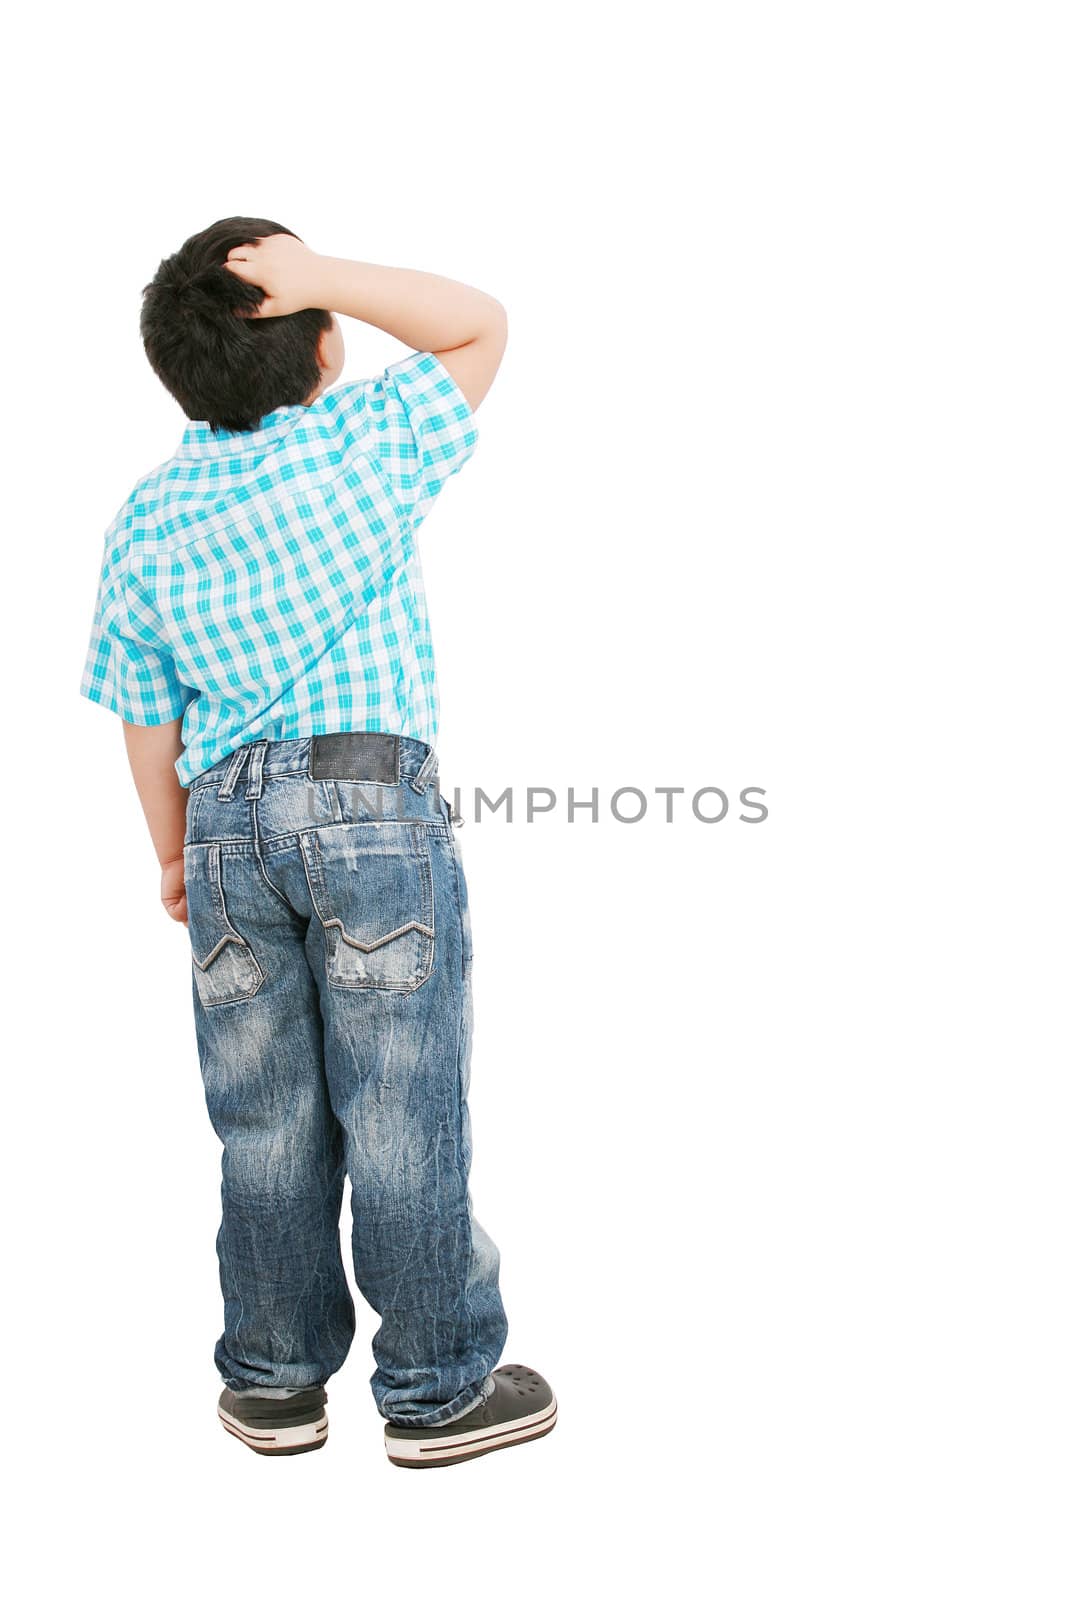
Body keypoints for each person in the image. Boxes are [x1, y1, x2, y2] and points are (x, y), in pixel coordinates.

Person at [78, 219, 556, 1467]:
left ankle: (277, 1381)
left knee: (265, 1118)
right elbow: (478, 321)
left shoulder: (146, 513)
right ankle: (437, 1386)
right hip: (364, 799)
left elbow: (145, 714)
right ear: (319, 346)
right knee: (399, 1102)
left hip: (227, 822)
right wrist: (326, 274)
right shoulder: (358, 441)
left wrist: (175, 852)